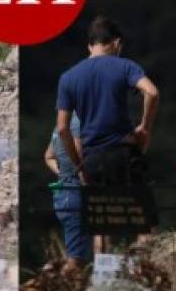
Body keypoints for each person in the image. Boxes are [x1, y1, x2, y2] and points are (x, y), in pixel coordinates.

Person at [54, 15, 160, 244]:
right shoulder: (125, 66)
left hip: (92, 157)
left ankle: (104, 277)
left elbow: (63, 128)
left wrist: (78, 163)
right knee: (143, 220)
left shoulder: (68, 77)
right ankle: (145, 272)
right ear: (116, 43)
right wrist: (145, 127)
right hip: (124, 152)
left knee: (101, 225)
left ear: (90, 45)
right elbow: (151, 92)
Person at [44, 113, 92, 271]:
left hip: (63, 193)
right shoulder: (79, 122)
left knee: (78, 252)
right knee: (76, 257)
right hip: (75, 191)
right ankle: (63, 285)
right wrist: (80, 173)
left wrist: (62, 173)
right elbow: (78, 152)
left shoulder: (62, 123)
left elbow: (49, 156)